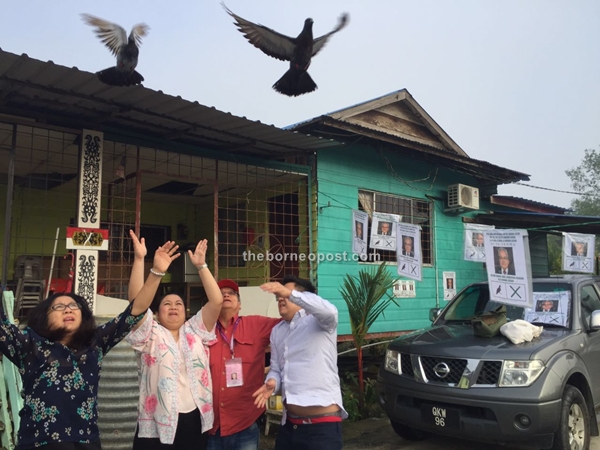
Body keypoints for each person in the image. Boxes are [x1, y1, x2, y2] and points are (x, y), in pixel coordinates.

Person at [0, 238, 179, 450]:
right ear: (44, 318)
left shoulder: (94, 343)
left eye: (74, 306)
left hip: (87, 442)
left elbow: (135, 311)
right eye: (58, 307)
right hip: (40, 442)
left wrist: (156, 272)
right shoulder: (29, 344)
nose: (68, 309)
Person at [126, 231, 223, 450]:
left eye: (178, 304)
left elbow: (216, 301)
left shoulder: (195, 330)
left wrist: (201, 267)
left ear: (186, 312)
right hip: (157, 421)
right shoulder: (151, 333)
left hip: (193, 418)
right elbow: (136, 306)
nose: (173, 307)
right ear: (158, 314)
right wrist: (142, 260)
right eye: (166, 304)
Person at [253, 276, 347, 450]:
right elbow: (276, 368)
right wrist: (273, 382)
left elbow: (330, 311)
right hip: (290, 425)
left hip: (322, 428)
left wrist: (288, 293)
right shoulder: (277, 331)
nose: (280, 298)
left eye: (286, 295)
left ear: (304, 298)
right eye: (278, 296)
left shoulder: (320, 322)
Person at [207, 279, 281, 450]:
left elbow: (292, 324)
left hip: (244, 424)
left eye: (231, 293)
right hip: (211, 426)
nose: (225, 295)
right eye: (220, 293)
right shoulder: (203, 329)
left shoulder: (256, 325)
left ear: (240, 304)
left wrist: (287, 294)